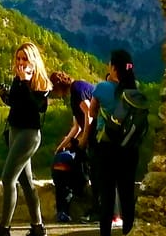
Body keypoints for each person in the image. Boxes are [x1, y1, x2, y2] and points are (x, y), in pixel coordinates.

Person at [0, 41, 52, 236]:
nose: (21, 62)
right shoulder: (17, 79)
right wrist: (3, 95)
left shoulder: (40, 82)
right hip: (15, 131)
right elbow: (15, 103)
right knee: (26, 182)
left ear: (33, 60)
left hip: (29, 134)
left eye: (25, 58)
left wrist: (25, 82)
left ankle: (4, 229)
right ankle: (38, 227)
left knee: (8, 179)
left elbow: (38, 107)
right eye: (18, 58)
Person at [80, 49, 139, 236]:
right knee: (127, 195)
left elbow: (92, 112)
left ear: (113, 68)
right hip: (130, 148)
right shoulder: (135, 89)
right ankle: (128, 231)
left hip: (106, 149)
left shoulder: (103, 87)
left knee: (107, 196)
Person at [49, 70, 97, 220]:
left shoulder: (77, 88)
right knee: (62, 160)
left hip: (97, 136)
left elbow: (89, 114)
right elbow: (76, 127)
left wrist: (83, 141)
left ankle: (94, 208)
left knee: (90, 172)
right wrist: (61, 147)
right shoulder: (74, 93)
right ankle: (64, 210)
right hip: (91, 136)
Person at [51, 147, 86, 222]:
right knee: (68, 190)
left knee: (60, 189)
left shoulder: (60, 153)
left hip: (56, 167)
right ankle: (64, 213)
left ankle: (61, 213)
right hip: (67, 166)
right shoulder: (76, 154)